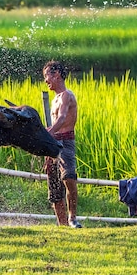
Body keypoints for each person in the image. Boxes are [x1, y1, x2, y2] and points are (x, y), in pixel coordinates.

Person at [43, 60, 82, 228]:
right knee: (53, 182)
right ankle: (62, 224)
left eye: (47, 76)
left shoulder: (67, 95)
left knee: (68, 177)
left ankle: (73, 218)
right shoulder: (54, 100)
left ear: (56, 74)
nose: (46, 81)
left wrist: (47, 134)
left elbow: (62, 118)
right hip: (53, 142)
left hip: (65, 141)